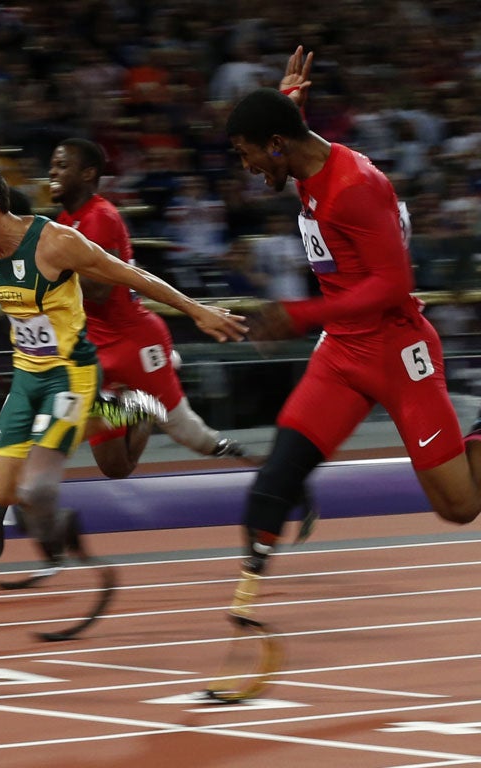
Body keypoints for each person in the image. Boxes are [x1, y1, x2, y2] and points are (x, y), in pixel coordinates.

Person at [223, 47, 481, 617]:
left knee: (459, 508)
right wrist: (290, 98)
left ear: (275, 146)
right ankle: (244, 604)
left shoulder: (354, 187)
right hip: (343, 352)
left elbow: (393, 284)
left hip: (397, 349)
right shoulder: (298, 157)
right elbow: (288, 132)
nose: (248, 170)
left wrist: (301, 314)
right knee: (275, 479)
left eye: (248, 157)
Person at [0, 159, 247, 561]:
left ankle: (124, 412)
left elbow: (130, 275)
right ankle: (124, 411)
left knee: (37, 489)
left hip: (70, 374)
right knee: (3, 493)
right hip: (26, 375)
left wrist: (196, 309)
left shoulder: (55, 242)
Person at [48, 137, 246, 479]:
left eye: (62, 166)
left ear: (87, 173)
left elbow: (97, 290)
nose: (52, 171)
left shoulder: (101, 217)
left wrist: (45, 273)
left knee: (190, 434)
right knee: (115, 467)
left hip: (132, 342)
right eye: (52, 164)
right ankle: (138, 407)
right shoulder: (64, 221)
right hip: (94, 350)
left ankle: (257, 465)